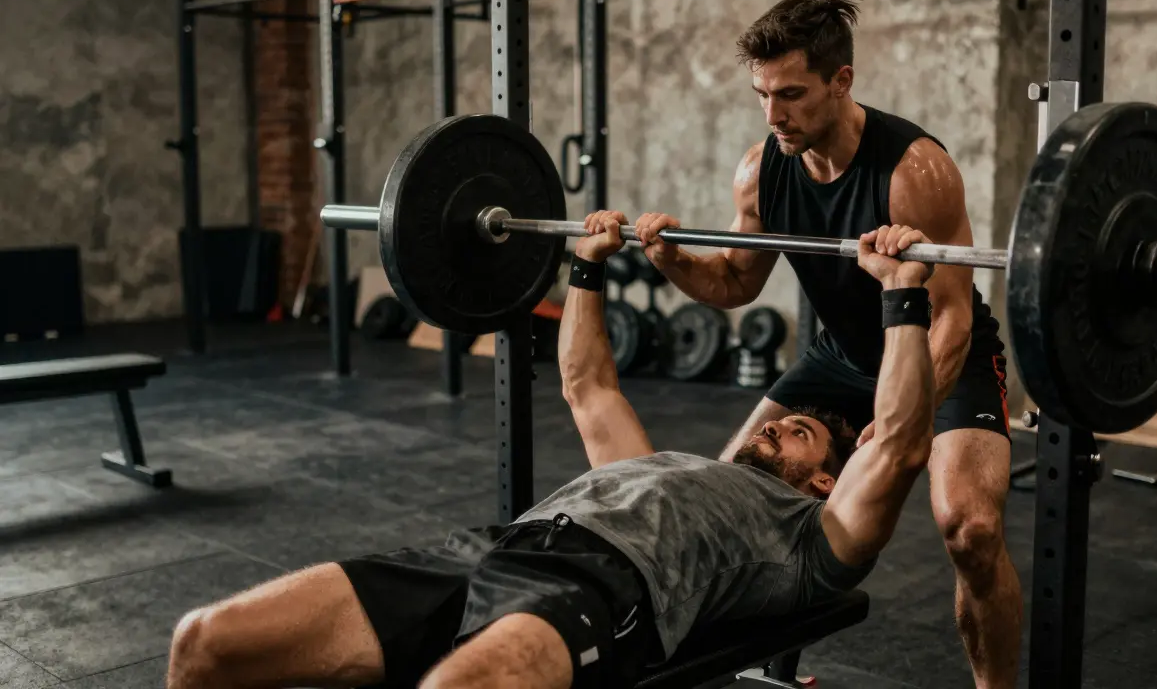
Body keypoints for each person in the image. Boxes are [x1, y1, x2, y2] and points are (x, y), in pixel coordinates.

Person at [162, 216, 942, 689]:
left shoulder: (809, 540)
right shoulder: (659, 467)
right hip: (486, 550)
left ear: (822, 480)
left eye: (795, 434)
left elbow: (902, 445)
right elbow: (587, 385)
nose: (770, 426)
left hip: (599, 590)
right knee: (206, 645)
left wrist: (902, 290)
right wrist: (587, 265)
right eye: (778, 422)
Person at [627, 0, 1019, 689]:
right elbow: (736, 283)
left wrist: (902, 425)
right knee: (725, 491)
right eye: (762, 95)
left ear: (842, 82)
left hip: (936, 354)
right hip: (841, 357)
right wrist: (670, 259)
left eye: (792, 94)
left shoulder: (913, 170)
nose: (774, 114)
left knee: (971, 529)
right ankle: (775, 669)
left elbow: (953, 315)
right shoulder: (763, 169)